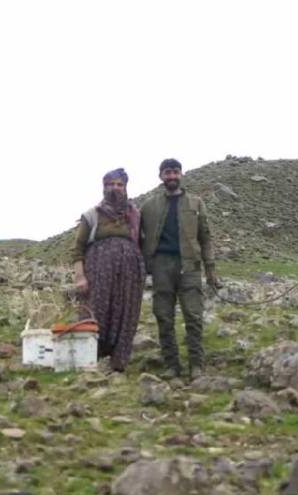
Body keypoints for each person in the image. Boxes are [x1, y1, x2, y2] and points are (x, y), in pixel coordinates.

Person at [140, 158, 219, 379]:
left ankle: (197, 364)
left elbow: (206, 238)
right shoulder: (148, 206)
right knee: (163, 315)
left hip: (190, 266)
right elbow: (137, 237)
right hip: (161, 266)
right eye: (167, 172)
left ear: (181, 174)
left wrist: (211, 269)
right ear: (160, 176)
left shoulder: (196, 203)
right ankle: (171, 365)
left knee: (193, 316)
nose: (171, 176)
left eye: (175, 172)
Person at [72, 168, 144, 373]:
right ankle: (88, 358)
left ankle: (118, 361)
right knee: (96, 310)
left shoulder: (135, 215)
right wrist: (80, 276)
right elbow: (77, 248)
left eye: (119, 184)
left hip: (130, 273)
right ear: (103, 187)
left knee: (126, 312)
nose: (115, 188)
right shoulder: (92, 215)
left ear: (126, 188)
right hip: (98, 271)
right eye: (110, 184)